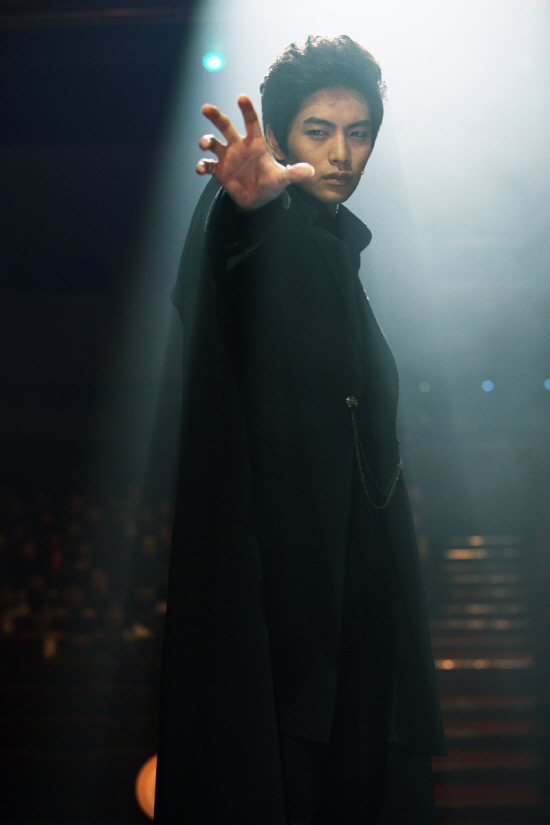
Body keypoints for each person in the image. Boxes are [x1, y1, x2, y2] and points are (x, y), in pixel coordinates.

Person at [154, 35, 445, 825]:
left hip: (359, 615)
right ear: (280, 137)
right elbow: (226, 279)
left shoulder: (338, 252)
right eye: (320, 130)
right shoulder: (267, 228)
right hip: (289, 621)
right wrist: (247, 212)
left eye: (360, 132)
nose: (343, 153)